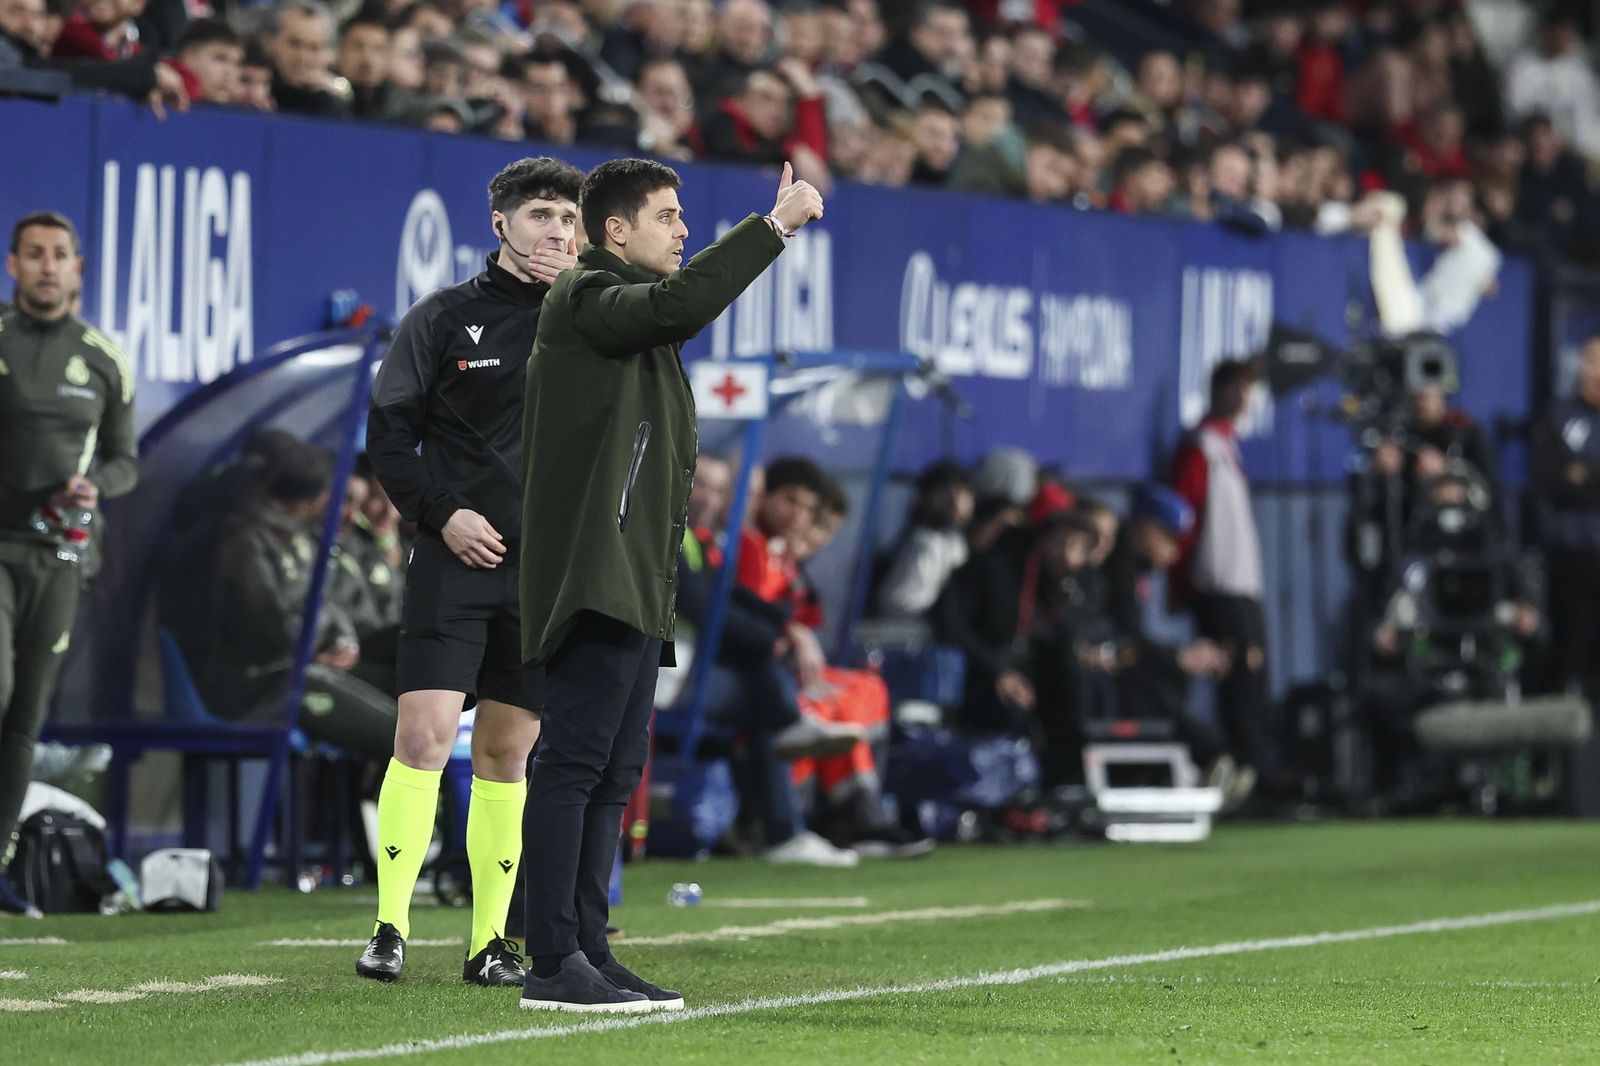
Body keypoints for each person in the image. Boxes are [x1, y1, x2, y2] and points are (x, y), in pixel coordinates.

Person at [518, 158, 823, 1012]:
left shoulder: (634, 326)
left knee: (614, 774)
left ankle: (587, 948)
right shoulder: (583, 295)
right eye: (668, 216)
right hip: (593, 575)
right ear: (616, 231)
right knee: (572, 767)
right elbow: (681, 303)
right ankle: (549, 963)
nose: (684, 231)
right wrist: (774, 227)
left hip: (637, 584)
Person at [356, 157, 584, 987]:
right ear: (501, 224)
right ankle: (389, 926)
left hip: (542, 574)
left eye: (568, 218)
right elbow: (387, 435)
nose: (556, 230)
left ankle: (490, 942)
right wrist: (444, 514)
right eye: (540, 216)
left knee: (507, 754)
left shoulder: (592, 317)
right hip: (453, 563)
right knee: (420, 737)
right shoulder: (444, 317)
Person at [0, 211, 136, 917]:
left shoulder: (104, 357)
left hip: (60, 555)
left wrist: (95, 488)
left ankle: (0, 863)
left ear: (78, 268)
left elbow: (125, 459)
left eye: (59, 255)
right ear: (13, 264)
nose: (47, 266)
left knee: (25, 713)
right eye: (34, 254)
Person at [1171, 358, 1270, 784]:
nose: (1246, 400)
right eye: (1241, 389)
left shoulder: (1228, 446)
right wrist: (1180, 585)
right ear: (1223, 390)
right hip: (1216, 586)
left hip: (1243, 585)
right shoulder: (1201, 447)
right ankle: (1236, 772)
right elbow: (1184, 522)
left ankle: (1252, 770)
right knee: (1235, 684)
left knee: (1253, 679)